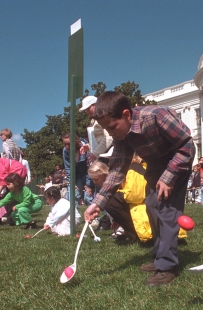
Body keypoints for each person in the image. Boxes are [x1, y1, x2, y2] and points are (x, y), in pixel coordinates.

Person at [84, 91, 195, 286]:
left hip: (177, 161)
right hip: (154, 164)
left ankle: (167, 266)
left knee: (166, 210)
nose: (110, 133)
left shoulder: (155, 116)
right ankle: (160, 255)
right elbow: (117, 170)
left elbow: (187, 145)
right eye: (105, 128)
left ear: (126, 115)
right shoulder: (122, 135)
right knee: (151, 205)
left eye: (111, 127)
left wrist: (169, 176)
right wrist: (97, 204)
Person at [80, 96, 113, 163]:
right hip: (104, 154)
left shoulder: (103, 117)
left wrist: (95, 154)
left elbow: (109, 138)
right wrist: (89, 146)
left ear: (96, 105)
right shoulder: (95, 120)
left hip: (110, 154)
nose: (87, 112)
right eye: (85, 110)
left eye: (88, 108)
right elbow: (100, 139)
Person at [62, 132, 91, 205]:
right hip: (77, 176)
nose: (67, 147)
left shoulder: (85, 147)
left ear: (76, 142)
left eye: (69, 144)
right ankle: (74, 216)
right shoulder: (65, 151)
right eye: (65, 144)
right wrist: (72, 182)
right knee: (72, 197)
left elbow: (90, 167)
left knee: (88, 197)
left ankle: (103, 216)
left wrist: (89, 185)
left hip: (89, 175)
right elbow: (68, 167)